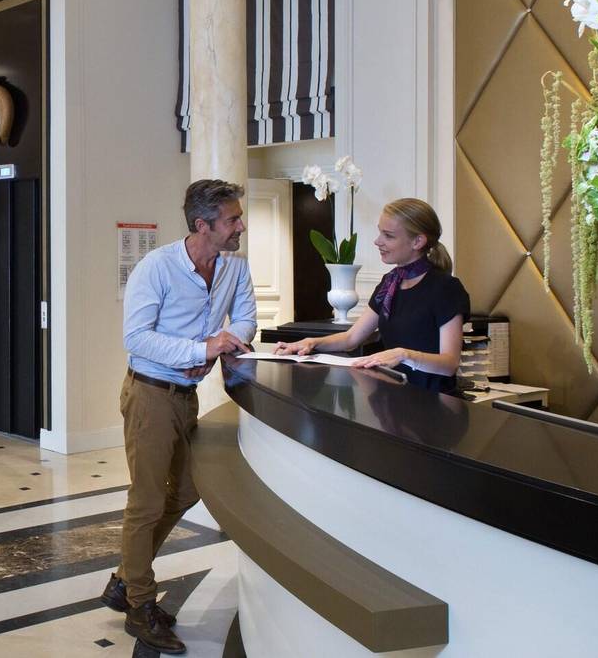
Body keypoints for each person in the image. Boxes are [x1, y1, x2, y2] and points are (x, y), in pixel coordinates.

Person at [102, 179, 255, 655]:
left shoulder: (234, 267)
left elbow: (247, 316)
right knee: (146, 501)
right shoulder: (158, 267)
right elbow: (137, 337)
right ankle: (139, 604)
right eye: (232, 219)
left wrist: (227, 342)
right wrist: (198, 348)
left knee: (188, 488)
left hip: (187, 395)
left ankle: (126, 577)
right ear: (202, 225)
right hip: (149, 394)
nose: (241, 226)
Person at [275, 198, 469, 392]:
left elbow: (449, 364)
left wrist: (404, 355)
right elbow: (351, 338)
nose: (377, 241)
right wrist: (311, 343)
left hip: (433, 405)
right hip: (395, 400)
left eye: (388, 236)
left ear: (418, 241)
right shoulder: (390, 283)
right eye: (380, 232)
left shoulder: (445, 289)